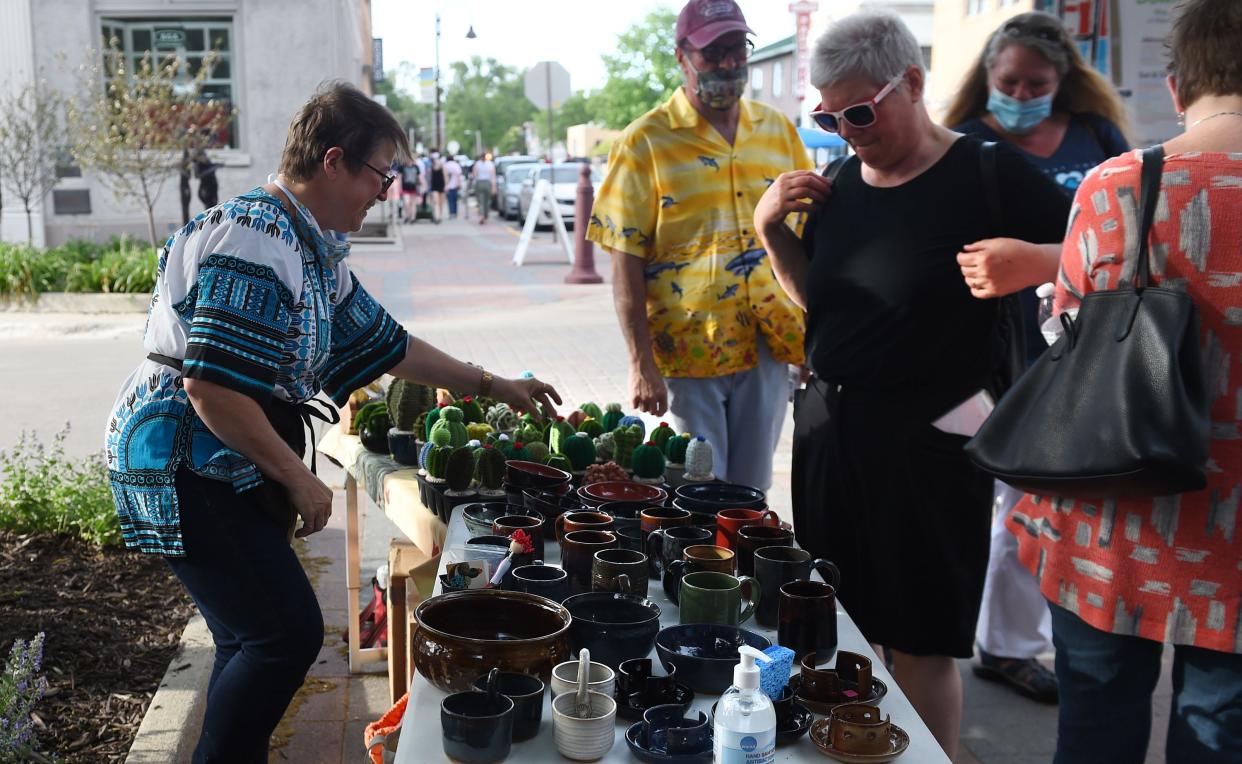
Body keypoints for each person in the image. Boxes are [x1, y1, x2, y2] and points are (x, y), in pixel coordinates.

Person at [103, 81, 561, 763]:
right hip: (188, 464)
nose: (385, 191)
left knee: (248, 637)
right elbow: (212, 390)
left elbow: (389, 344)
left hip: (220, 460)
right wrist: (300, 481)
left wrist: (493, 385)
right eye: (381, 174)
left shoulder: (307, 245)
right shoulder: (258, 239)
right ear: (334, 161)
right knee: (282, 635)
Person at [753, 10, 1069, 757]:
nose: (847, 129)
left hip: (933, 439)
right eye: (829, 115)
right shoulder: (837, 183)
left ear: (914, 83)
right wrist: (771, 232)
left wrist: (1035, 262)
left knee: (923, 639)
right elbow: (825, 308)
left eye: (860, 110)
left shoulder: (986, 173)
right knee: (842, 627)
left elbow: (1105, 250)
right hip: (833, 434)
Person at [1007, 1, 1242, 760]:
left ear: (1176, 89)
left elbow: (1068, 338)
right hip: (1236, 554)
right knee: (1220, 734)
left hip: (1113, 522)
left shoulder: (1118, 186)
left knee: (1097, 727)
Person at [943, 10, 1131, 704]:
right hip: (998, 353)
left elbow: (1132, 230)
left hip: (1091, 349)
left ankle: (1022, 637)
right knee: (1009, 503)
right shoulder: (960, 144)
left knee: (1061, 505)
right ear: (986, 77)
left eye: (1036, 82)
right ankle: (1004, 644)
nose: (1020, 94)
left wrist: (1049, 262)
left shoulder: (1098, 137)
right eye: (1008, 80)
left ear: (1064, 81)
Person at [586, 0, 811, 491]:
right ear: (681, 57)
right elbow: (625, 266)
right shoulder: (644, 142)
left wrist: (812, 335)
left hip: (768, 346)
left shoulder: (777, 131)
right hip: (687, 353)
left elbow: (805, 237)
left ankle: (742, 569)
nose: (730, 63)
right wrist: (639, 364)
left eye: (737, 48)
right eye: (714, 52)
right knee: (694, 493)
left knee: (751, 494)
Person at [472, 152, 496, 224]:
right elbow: (493, 176)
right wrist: (494, 186)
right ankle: (485, 215)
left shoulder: (477, 164)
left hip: (480, 183)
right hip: (488, 183)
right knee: (487, 200)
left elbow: (475, 174)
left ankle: (482, 215)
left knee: (480, 201)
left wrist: (474, 183)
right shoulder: (490, 164)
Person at [398, 157, 421, 222]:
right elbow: (399, 178)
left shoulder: (416, 167)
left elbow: (418, 178)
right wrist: (400, 188)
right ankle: (408, 215)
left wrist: (421, 186)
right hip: (405, 188)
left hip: (414, 187)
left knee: (413, 203)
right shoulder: (402, 167)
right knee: (406, 202)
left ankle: (413, 218)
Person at [428, 149, 446, 223]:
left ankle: (440, 215)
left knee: (441, 202)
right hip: (434, 186)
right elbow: (429, 177)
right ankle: (437, 216)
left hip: (441, 185)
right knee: (436, 202)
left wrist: (446, 185)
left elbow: (445, 176)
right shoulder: (431, 166)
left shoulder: (442, 166)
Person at [444, 154, 463, 219]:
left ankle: (451, 213)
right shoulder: (456, 165)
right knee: (455, 200)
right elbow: (458, 175)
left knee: (450, 201)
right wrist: (459, 184)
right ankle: (455, 213)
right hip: (455, 185)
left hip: (448, 186)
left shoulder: (445, 165)